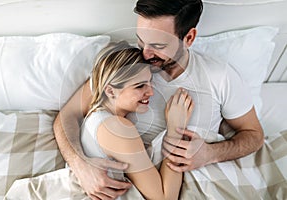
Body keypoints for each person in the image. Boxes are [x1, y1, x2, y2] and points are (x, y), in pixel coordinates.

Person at [53, 0, 264, 199]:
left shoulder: (220, 77)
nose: (145, 53)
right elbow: (67, 116)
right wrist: (80, 165)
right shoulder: (126, 66)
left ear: (189, 38)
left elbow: (254, 135)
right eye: (141, 40)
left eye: (158, 45)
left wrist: (211, 153)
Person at [79, 41, 194, 200]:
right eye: (140, 86)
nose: (151, 92)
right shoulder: (116, 128)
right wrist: (175, 129)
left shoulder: (95, 116)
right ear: (111, 90)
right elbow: (165, 198)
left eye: (150, 82)